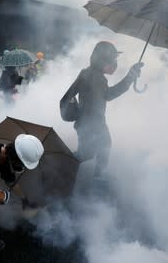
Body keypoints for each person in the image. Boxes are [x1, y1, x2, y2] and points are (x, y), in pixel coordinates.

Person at [60, 41, 143, 176]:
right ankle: (64, 168)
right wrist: (130, 76)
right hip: (92, 123)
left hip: (88, 122)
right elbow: (109, 95)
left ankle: (89, 174)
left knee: (95, 150)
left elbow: (69, 95)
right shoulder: (96, 77)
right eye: (113, 59)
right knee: (90, 152)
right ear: (103, 60)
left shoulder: (88, 73)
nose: (115, 63)